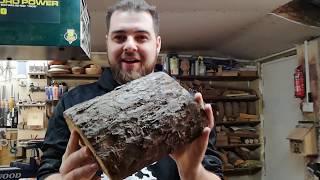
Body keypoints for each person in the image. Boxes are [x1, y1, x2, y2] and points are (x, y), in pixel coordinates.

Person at [37, 0, 223, 179]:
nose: (130, 46)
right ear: (108, 42)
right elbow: (47, 170)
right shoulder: (72, 102)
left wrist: (192, 172)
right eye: (119, 37)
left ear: (157, 45)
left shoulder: (188, 106)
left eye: (141, 37)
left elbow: (215, 172)